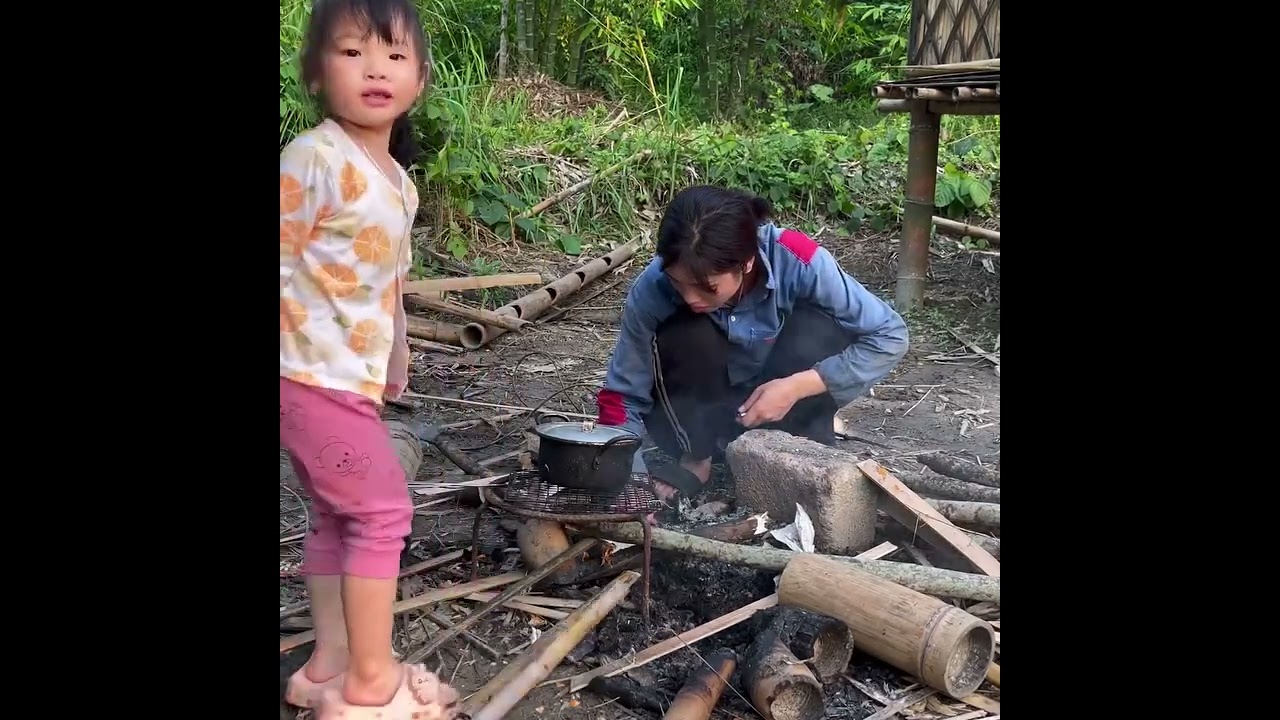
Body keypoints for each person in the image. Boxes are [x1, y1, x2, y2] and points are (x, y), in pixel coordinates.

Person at [278, 0, 457, 718]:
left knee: (336, 519)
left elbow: (391, 281)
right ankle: (371, 685)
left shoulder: (398, 181)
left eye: (393, 55)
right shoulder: (313, 158)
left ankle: (331, 661)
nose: (375, 68)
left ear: (420, 78)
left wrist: (397, 351)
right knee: (384, 513)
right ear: (316, 74)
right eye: (351, 53)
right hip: (306, 373)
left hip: (347, 379)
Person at [595, 185, 910, 502]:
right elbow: (620, 396)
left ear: (746, 263)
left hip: (783, 406)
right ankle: (696, 458)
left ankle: (803, 447)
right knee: (683, 330)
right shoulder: (652, 287)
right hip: (696, 415)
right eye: (679, 283)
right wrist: (628, 481)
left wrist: (796, 387)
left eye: (707, 287)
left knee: (820, 324)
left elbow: (890, 335)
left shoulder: (795, 256)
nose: (691, 298)